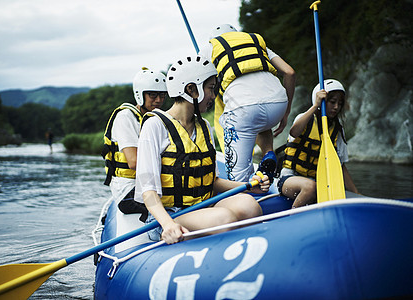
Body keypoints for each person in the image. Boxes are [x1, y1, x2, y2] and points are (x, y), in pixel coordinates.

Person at [135, 55, 270, 244]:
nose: (213, 97)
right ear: (192, 89)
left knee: (249, 206)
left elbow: (211, 181)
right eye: (210, 89)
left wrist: (249, 187)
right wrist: (167, 225)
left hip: (203, 205)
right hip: (170, 215)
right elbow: (148, 192)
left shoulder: (204, 126)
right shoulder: (155, 126)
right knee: (223, 219)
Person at [199, 24, 296, 183]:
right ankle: (267, 154)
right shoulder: (253, 42)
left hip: (245, 109)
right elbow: (290, 72)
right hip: (278, 104)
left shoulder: (210, 47)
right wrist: (286, 113)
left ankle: (246, 194)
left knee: (237, 180)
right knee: (260, 122)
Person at [278, 79, 359, 208]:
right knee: (311, 187)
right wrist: (315, 106)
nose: (336, 107)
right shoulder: (304, 118)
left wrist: (356, 193)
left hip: (318, 181)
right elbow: (294, 132)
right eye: (332, 102)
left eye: (340, 103)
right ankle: (292, 217)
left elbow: (341, 166)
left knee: (314, 186)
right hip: (289, 178)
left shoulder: (337, 130)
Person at [101, 67, 167, 221]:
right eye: (153, 95)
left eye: (162, 95)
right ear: (140, 94)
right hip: (128, 191)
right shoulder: (125, 117)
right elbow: (134, 162)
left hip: (147, 184)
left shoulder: (157, 119)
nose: (158, 100)